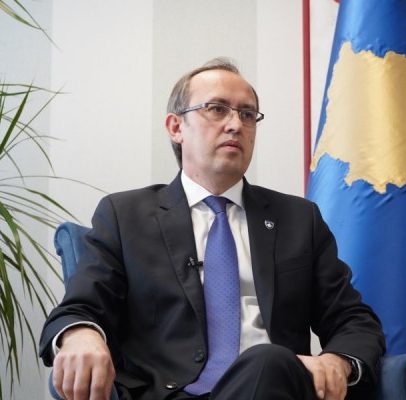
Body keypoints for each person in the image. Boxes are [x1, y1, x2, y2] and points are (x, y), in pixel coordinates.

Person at [39, 58, 385, 400]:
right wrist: (81, 335)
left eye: (247, 114)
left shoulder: (298, 219)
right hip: (168, 394)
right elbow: (79, 308)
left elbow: (353, 319)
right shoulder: (125, 216)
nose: (235, 125)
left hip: (275, 382)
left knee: (268, 361)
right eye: (217, 109)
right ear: (176, 127)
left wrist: (338, 362)